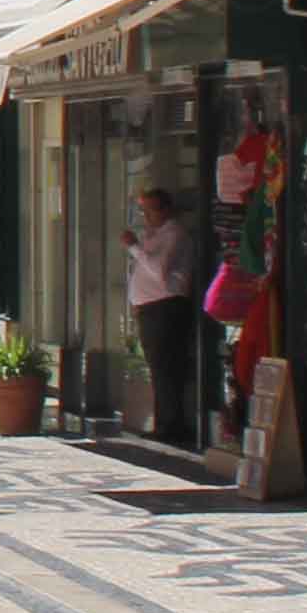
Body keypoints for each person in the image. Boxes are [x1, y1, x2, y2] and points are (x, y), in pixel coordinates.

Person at [128, 183, 210, 443]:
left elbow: (158, 271)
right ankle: (163, 421)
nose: (146, 217)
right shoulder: (155, 235)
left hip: (165, 307)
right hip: (151, 308)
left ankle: (171, 425)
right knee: (158, 367)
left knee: (166, 367)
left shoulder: (174, 234)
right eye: (143, 212)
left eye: (150, 211)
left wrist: (134, 247)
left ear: (165, 210)